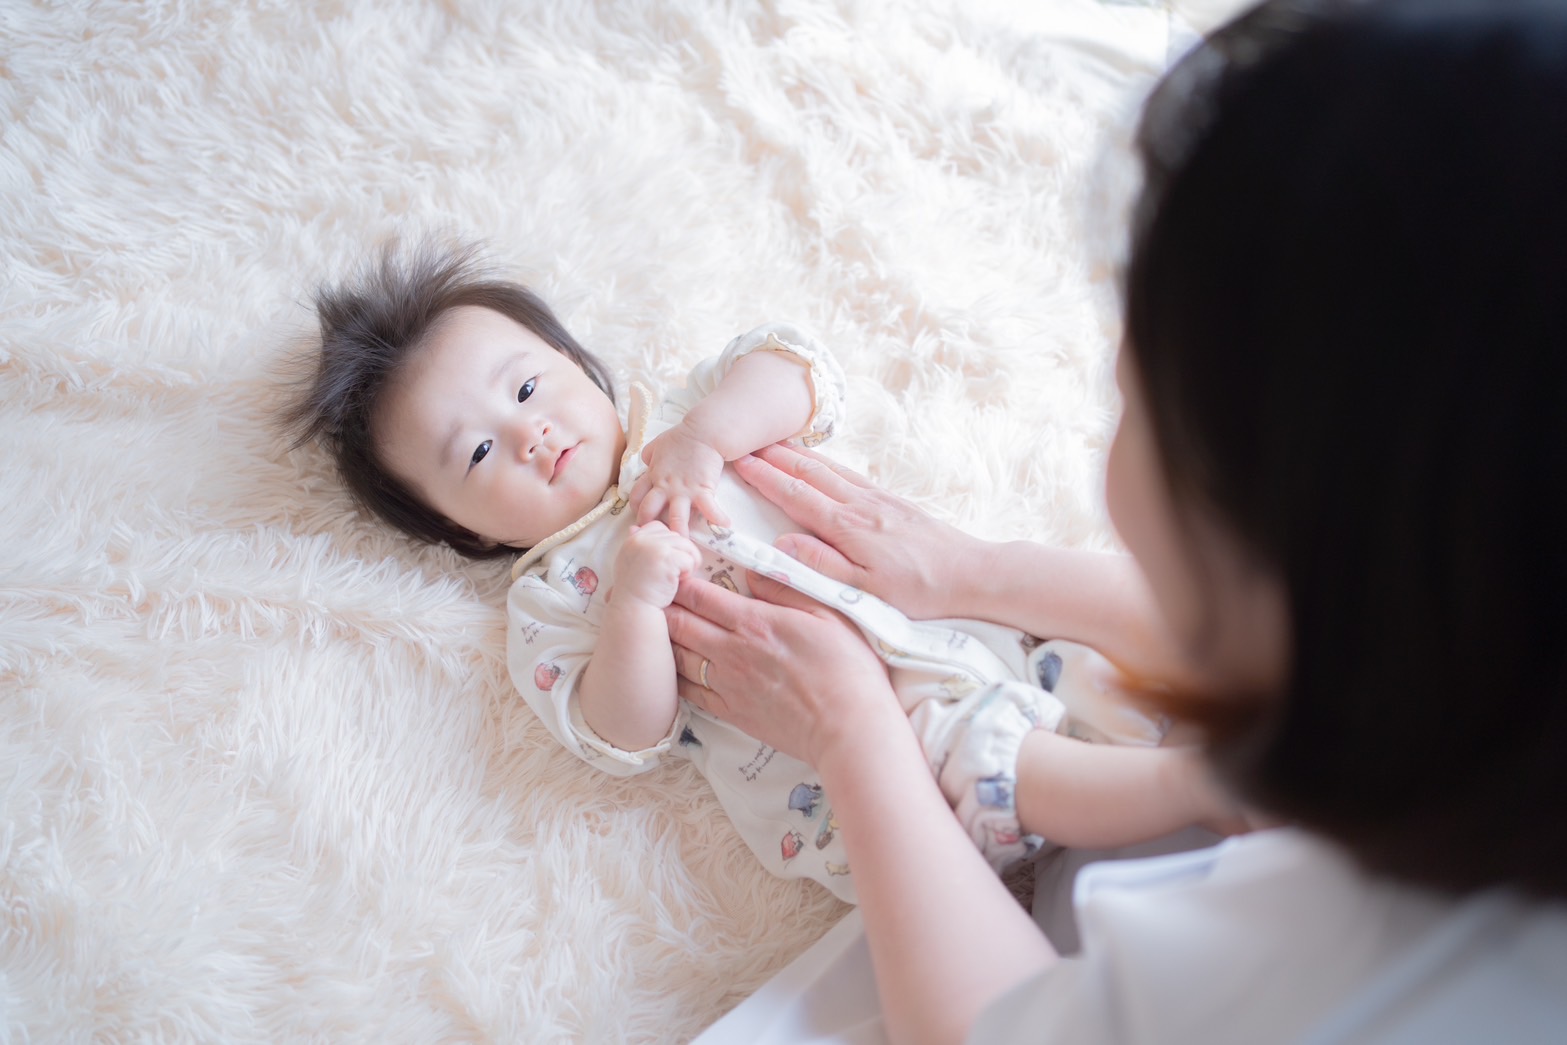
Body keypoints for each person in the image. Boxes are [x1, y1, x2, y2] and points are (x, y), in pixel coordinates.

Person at [665, 0, 1567, 1040]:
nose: (1108, 461)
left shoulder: (1379, 964)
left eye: (1135, 404)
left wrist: (853, 732)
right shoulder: (1484, 629)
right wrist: (980, 571)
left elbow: (1002, 1026)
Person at [282, 243, 1241, 905]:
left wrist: (707, 437)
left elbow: (798, 365)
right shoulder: (548, 595)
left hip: (974, 633)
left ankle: (1211, 749)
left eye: (528, 387)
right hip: (849, 770)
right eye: (477, 454)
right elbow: (622, 733)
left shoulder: (692, 418)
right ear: (467, 534)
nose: (527, 433)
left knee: (1091, 673)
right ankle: (1194, 789)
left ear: (583, 363)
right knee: (974, 744)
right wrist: (634, 606)